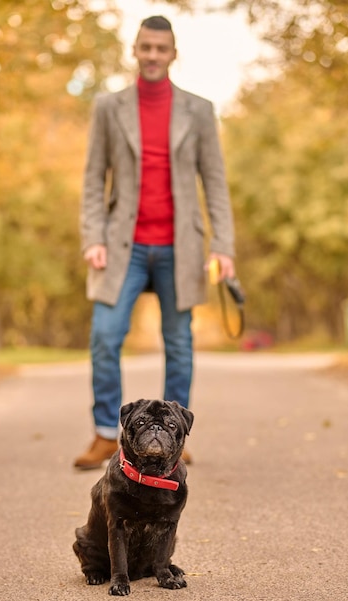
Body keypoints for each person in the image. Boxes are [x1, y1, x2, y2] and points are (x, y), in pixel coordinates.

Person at [74, 15, 235, 469]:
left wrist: (223, 246)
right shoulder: (108, 106)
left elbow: (215, 183)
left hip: (180, 246)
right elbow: (92, 178)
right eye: (146, 47)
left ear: (173, 53)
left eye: (161, 49)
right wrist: (93, 237)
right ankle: (107, 433)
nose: (152, 56)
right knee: (105, 337)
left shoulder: (199, 110)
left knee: (179, 342)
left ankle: (173, 440)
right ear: (135, 50)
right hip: (121, 244)